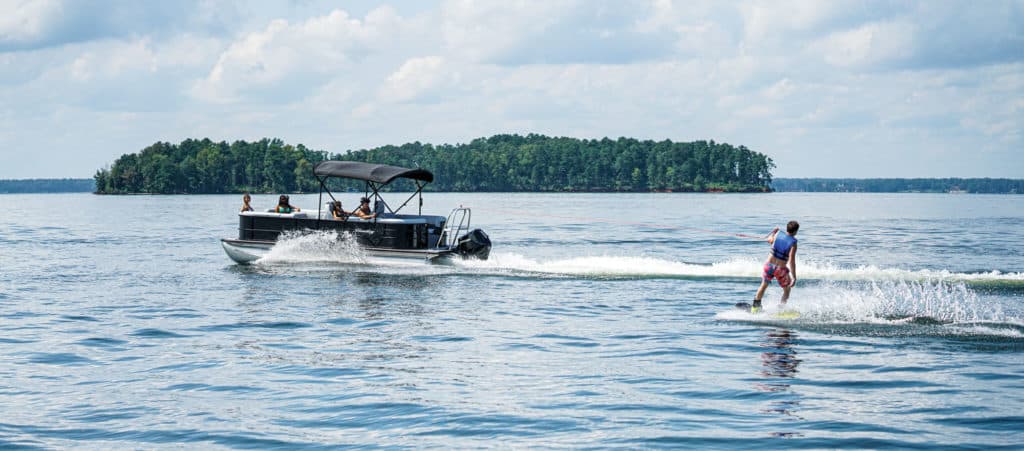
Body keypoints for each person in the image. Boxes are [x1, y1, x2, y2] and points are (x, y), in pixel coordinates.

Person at [748, 220, 799, 313]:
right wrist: (794, 277)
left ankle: (755, 307)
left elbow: (770, 240)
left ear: (787, 228)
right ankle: (781, 310)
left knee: (763, 286)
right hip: (780, 269)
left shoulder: (778, 234)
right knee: (787, 290)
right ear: (796, 231)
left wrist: (774, 232)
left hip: (769, 266)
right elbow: (791, 261)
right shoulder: (793, 243)